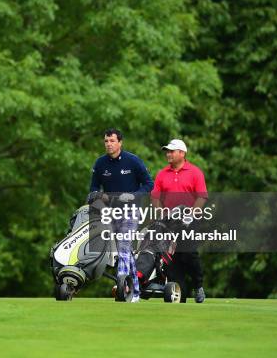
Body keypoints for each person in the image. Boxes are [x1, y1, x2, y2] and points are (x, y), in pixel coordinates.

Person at [89, 128, 153, 302]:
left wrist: (133, 195)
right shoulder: (100, 163)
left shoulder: (133, 161)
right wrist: (97, 200)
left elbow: (149, 184)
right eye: (106, 141)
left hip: (131, 210)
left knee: (124, 246)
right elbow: (94, 189)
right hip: (111, 212)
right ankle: (136, 292)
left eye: (112, 141)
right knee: (125, 252)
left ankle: (122, 289)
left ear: (120, 143)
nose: (108, 144)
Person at [151, 139, 208, 303]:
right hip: (169, 222)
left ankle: (198, 286)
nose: (168, 154)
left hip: (189, 222)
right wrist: (161, 214)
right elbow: (155, 197)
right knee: (171, 261)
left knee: (188, 255)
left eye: (171, 151)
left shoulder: (195, 172)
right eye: (167, 151)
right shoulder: (162, 173)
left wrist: (191, 215)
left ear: (182, 153)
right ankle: (180, 294)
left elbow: (202, 197)